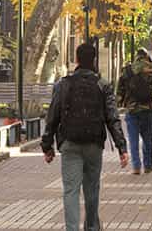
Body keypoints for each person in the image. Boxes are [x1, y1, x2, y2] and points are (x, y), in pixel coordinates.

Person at [41, 43, 128, 231]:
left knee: (71, 190)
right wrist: (122, 147)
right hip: (94, 144)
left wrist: (47, 146)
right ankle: (92, 227)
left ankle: (72, 228)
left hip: (70, 143)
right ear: (94, 60)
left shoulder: (63, 84)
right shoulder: (102, 85)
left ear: (77, 60)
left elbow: (52, 117)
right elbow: (112, 117)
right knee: (92, 189)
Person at [117, 47, 152, 174]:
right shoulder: (151, 68)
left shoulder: (127, 70)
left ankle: (136, 166)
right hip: (147, 108)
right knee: (148, 138)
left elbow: (120, 90)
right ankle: (148, 165)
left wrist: (120, 103)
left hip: (132, 109)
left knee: (133, 139)